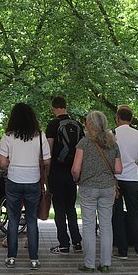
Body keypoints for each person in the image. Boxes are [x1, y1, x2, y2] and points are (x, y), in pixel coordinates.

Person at [0, 103, 51, 270]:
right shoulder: (39, 136)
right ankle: (34, 258)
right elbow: (48, 160)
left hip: (14, 180)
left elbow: (3, 162)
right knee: (31, 219)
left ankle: (11, 257)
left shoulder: (8, 136)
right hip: (33, 180)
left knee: (13, 219)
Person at [71, 111, 122, 273]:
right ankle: (106, 264)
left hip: (88, 188)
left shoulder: (83, 143)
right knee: (106, 225)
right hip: (107, 188)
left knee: (88, 225)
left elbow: (75, 169)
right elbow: (119, 169)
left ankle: (89, 263)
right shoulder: (113, 143)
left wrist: (77, 178)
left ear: (89, 125)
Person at [111, 105, 138, 259]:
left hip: (115, 179)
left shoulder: (112, 134)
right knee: (134, 213)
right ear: (131, 119)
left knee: (116, 214)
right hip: (132, 178)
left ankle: (122, 250)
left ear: (117, 117)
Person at [45, 96, 84, 255]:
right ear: (65, 106)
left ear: (53, 107)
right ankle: (77, 242)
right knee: (71, 208)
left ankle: (63, 244)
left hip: (56, 172)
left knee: (59, 210)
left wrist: (46, 173)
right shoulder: (78, 125)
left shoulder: (53, 125)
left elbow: (48, 149)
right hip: (72, 172)